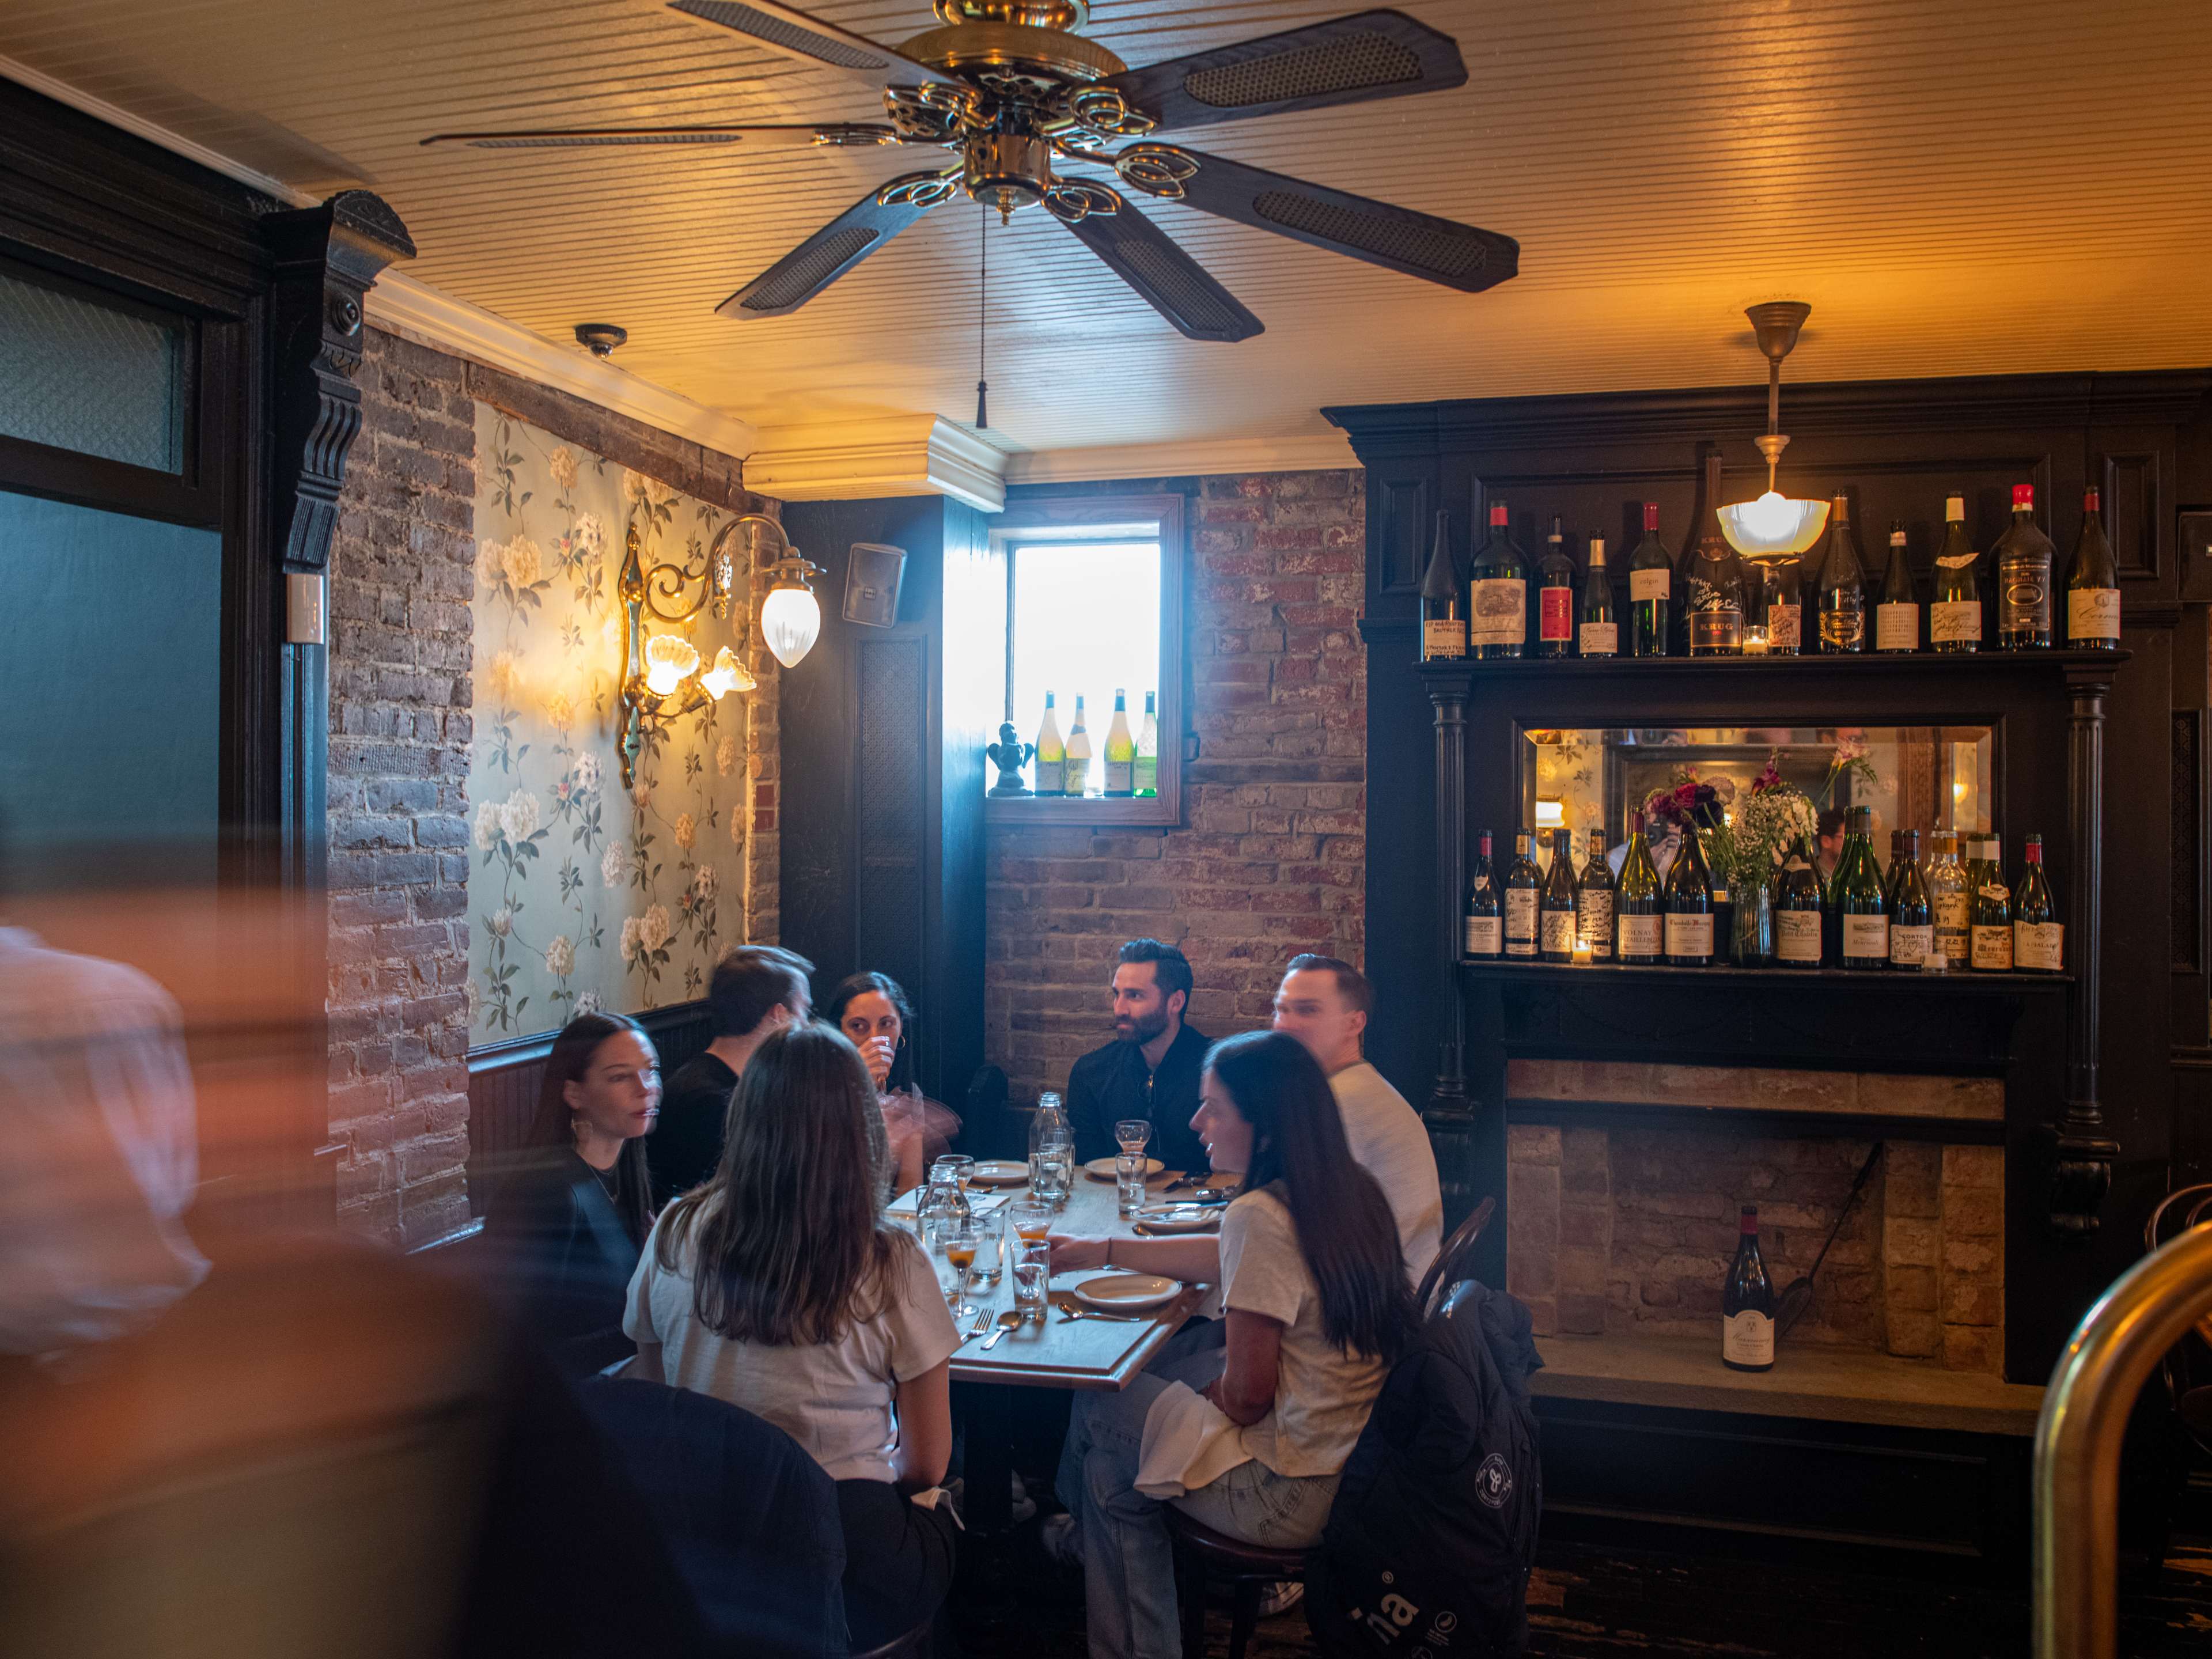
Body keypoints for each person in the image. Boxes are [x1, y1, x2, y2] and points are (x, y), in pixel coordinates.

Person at [1054, 1032, 1414, 1659]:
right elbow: (1224, 1250)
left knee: (1101, 1406)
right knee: (1113, 1462)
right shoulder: (1347, 1188)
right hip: (1358, 1466)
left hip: (1292, 1491)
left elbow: (1248, 1398)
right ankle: (1089, 1542)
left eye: (1213, 1107)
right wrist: (1107, 1251)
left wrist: (1200, 1403)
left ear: (1265, 1123)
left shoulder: (1261, 1215)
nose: (1196, 1123)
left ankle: (1079, 1536)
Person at [624, 1024, 959, 1650]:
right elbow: (925, 1463)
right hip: (839, 1551)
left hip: (704, 1547)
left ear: (745, 1119)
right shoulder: (887, 1257)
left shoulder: (674, 1228)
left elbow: (652, 1390)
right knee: (946, 1508)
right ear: (860, 1127)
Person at [488, 1012, 661, 1375]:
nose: (646, 1087)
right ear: (573, 1093)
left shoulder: (627, 1173)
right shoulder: (546, 1193)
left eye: (651, 1069)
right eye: (619, 1077)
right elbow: (522, 1346)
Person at [1270, 954, 1444, 1285]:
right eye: (1281, 1009)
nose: (1285, 1025)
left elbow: (1277, 1238)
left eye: (1307, 1010)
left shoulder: (1338, 1103)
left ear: (1355, 1024)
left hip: (1374, 1314)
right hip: (1394, 1290)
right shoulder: (1359, 1083)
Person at [647, 945, 811, 1205]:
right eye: (804, 1011)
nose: (806, 1025)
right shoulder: (709, 1103)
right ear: (779, 1016)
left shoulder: (736, 1084)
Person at [1065, 938, 1209, 1173]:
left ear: (1176, 1002)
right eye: (1117, 994)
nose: (1119, 1009)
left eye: (1134, 996)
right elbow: (1084, 1176)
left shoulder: (1217, 1072)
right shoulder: (1091, 1073)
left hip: (1201, 1206)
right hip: (1114, 1205)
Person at [823, 971, 962, 1198]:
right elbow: (829, 1189)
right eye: (858, 1026)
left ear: (901, 1029)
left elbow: (909, 1192)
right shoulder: (817, 1089)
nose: (876, 1038)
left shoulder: (905, 1093)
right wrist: (859, 1084)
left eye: (886, 1024)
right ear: (839, 1033)